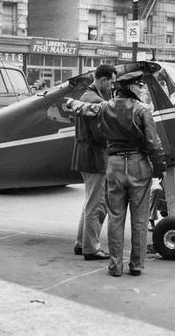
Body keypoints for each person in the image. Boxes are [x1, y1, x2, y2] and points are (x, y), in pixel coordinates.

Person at [66, 71, 167, 277]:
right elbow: (153, 143)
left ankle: (115, 266)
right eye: (139, 86)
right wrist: (160, 168)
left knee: (115, 217)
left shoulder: (104, 107)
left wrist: (69, 102)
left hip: (114, 164)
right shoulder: (143, 110)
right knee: (139, 220)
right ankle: (136, 265)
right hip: (139, 165)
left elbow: (82, 108)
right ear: (131, 88)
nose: (142, 89)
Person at [71, 63, 117, 261]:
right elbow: (101, 135)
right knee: (97, 204)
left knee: (90, 201)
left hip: (85, 154)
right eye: (111, 83)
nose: (112, 87)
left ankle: (82, 244)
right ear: (103, 80)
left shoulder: (86, 96)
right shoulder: (96, 100)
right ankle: (91, 248)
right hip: (95, 156)